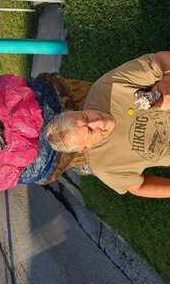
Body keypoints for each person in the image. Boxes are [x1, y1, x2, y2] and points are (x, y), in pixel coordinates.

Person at [45, 51, 170, 198]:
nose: (98, 121)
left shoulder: (107, 87)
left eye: (86, 116)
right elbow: (138, 186)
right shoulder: (104, 166)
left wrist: (167, 78)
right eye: (91, 130)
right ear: (85, 148)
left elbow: (161, 60)